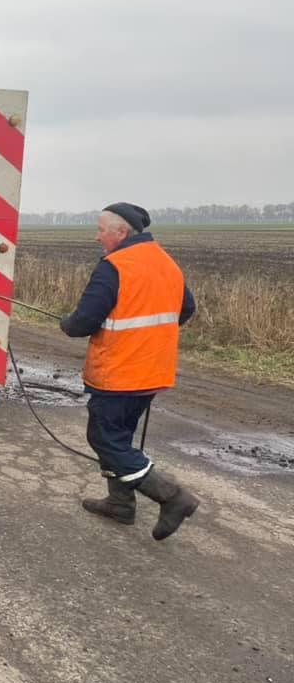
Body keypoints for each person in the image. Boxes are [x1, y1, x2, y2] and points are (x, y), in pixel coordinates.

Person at [60, 202, 199, 540]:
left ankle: (173, 497)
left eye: (100, 230)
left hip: (120, 371)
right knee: (118, 437)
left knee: (104, 439)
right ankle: (120, 504)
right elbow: (187, 308)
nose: (97, 237)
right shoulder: (166, 262)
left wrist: (68, 324)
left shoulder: (115, 266)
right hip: (153, 369)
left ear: (120, 233)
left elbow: (84, 321)